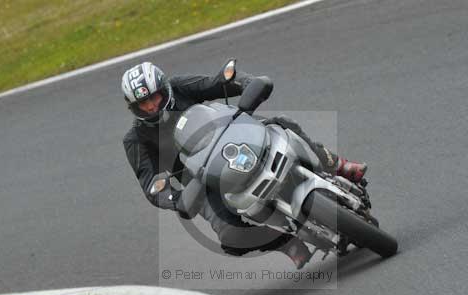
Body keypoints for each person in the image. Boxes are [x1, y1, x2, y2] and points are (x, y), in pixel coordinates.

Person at [121, 61, 367, 268]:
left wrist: (247, 83)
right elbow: (152, 186)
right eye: (144, 104)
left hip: (236, 139)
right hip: (205, 181)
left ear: (164, 89)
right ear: (134, 108)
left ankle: (337, 165)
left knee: (282, 124)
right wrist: (176, 198)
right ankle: (287, 243)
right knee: (231, 237)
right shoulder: (136, 140)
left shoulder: (180, 86)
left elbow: (220, 81)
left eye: (154, 97)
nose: (152, 106)